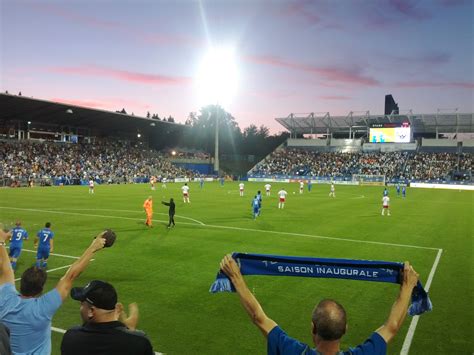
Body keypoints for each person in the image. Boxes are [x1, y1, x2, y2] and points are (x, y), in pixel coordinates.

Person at [219, 254, 419, 355]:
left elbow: (259, 317)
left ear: (312, 327)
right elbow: (391, 327)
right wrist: (407, 287)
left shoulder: (292, 351)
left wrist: (236, 277)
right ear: (345, 329)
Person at [0, 229, 107, 354]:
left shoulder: (5, 297)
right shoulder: (42, 308)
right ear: (41, 289)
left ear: (21, 281)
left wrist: (1, 242)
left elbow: (6, 269)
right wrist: (93, 248)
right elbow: (71, 275)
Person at [60, 280, 154, 355]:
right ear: (115, 307)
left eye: (82, 304)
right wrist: (129, 331)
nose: (80, 308)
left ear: (91, 311)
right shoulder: (139, 342)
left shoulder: (71, 337)